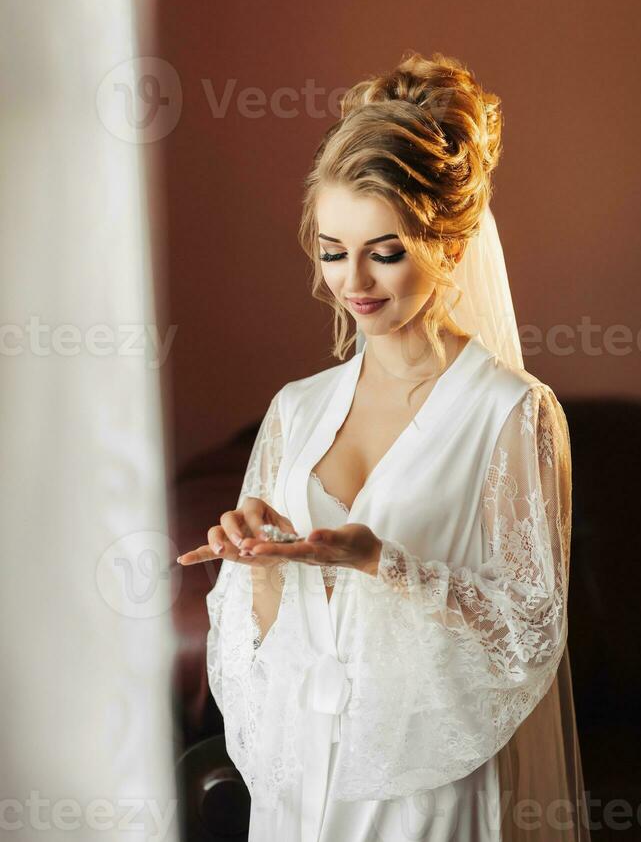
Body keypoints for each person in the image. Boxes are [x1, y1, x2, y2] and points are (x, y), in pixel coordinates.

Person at [178, 50, 590, 841]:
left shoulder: (512, 414)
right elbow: (261, 635)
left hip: (423, 784)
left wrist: (381, 562)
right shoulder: (296, 411)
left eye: (385, 250)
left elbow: (529, 634)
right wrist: (257, 565)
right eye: (332, 249)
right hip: (302, 775)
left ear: (449, 241)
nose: (353, 280)